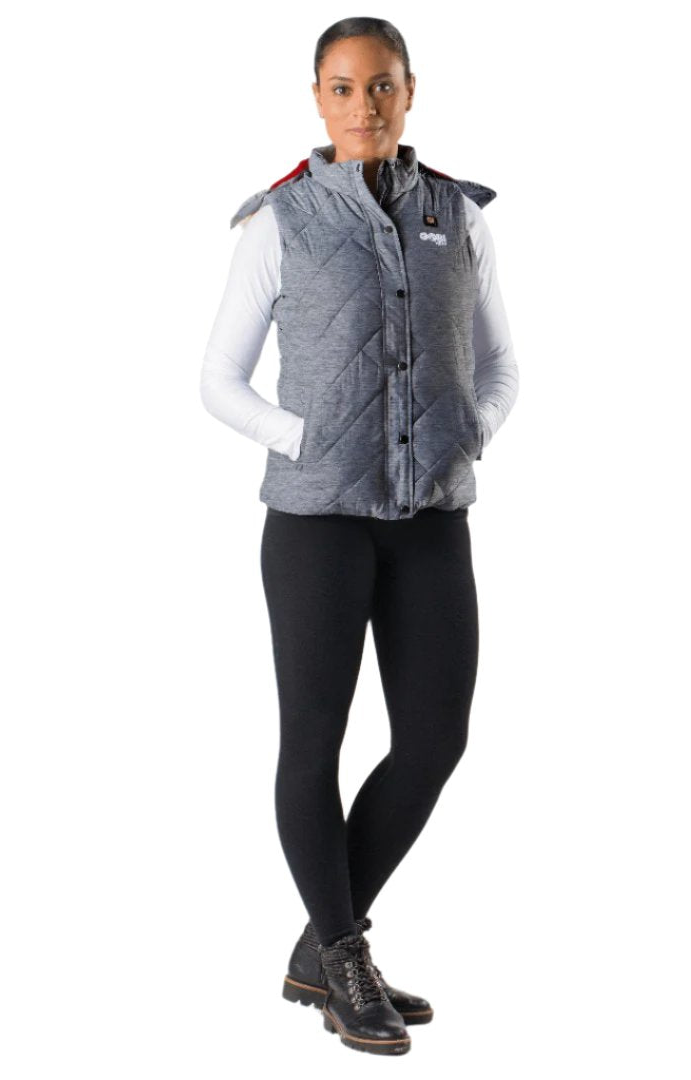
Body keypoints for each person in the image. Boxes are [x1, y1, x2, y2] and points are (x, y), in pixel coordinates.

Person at [200, 18, 519, 1056]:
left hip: (432, 521)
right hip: (315, 527)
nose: (364, 106)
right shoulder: (280, 220)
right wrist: (308, 439)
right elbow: (218, 381)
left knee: (434, 740)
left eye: (381, 86)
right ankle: (344, 959)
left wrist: (469, 431)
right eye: (343, 88)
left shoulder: (457, 216)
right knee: (314, 743)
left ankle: (321, 948)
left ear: (410, 92)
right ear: (318, 98)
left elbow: (500, 364)